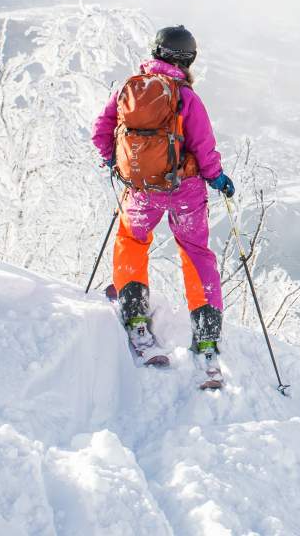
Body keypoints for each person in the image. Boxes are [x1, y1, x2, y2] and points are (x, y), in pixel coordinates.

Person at [92, 24, 236, 370]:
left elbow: (101, 132)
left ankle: (135, 317)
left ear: (155, 52)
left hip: (141, 189)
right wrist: (217, 178)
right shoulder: (186, 97)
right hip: (184, 190)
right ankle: (205, 335)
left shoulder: (129, 88)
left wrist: (117, 162)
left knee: (132, 240)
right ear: (189, 58)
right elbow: (204, 147)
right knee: (196, 253)